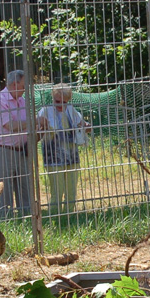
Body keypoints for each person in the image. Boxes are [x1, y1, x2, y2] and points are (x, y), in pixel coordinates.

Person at [37, 83, 90, 215]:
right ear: (52, 97)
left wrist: (86, 126)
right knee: (57, 189)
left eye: (64, 102)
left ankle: (69, 215)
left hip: (72, 156)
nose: (60, 104)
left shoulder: (71, 110)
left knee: (71, 189)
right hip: (53, 157)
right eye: (57, 101)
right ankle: (55, 216)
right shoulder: (45, 111)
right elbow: (38, 132)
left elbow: (83, 125)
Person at [0, 69, 33, 218]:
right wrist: (34, 122)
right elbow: (11, 125)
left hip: (23, 150)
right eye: (24, 84)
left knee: (25, 187)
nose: (26, 87)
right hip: (4, 150)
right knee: (4, 187)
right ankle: (6, 219)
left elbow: (27, 125)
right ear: (15, 84)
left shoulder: (22, 101)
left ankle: (27, 217)